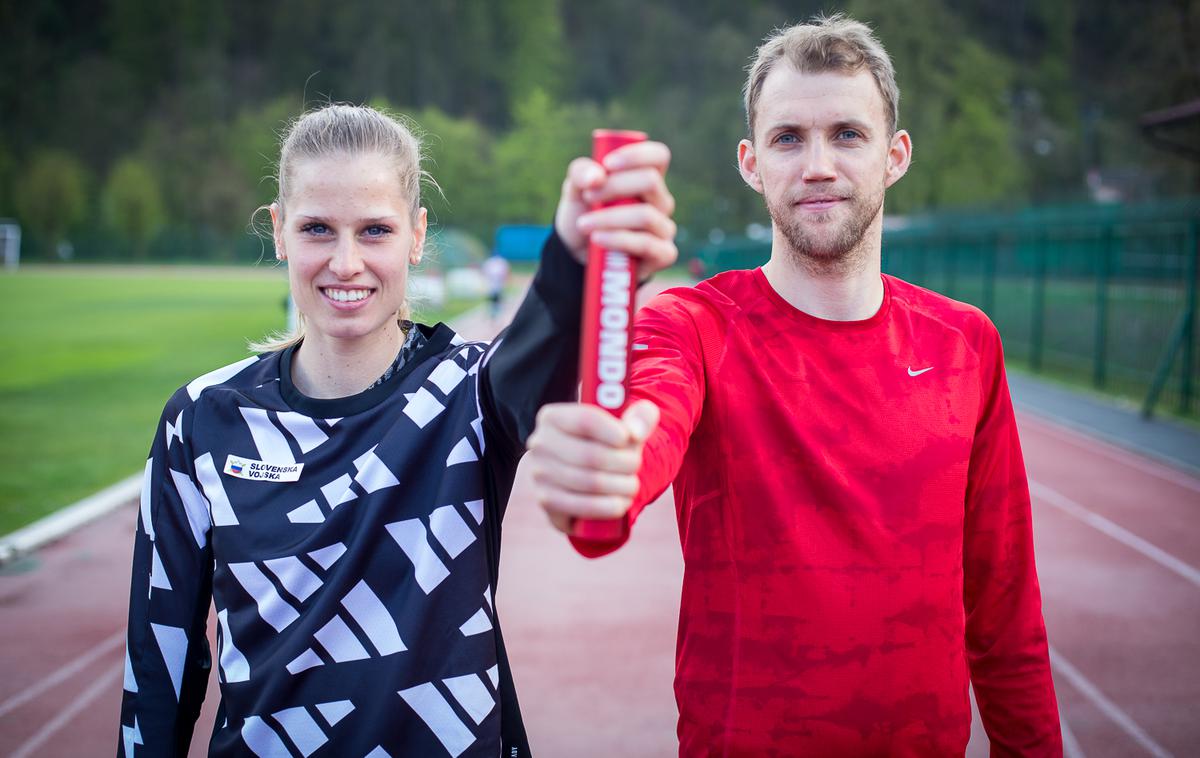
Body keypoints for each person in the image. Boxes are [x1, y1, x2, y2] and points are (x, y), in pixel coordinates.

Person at [526, 15, 1062, 756]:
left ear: (894, 155)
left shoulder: (965, 343)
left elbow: (1004, 600)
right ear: (751, 163)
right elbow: (646, 425)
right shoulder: (690, 325)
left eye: (847, 133)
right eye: (788, 138)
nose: (817, 164)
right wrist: (607, 468)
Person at [117, 103, 676, 757]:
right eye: (319, 229)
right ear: (279, 232)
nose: (347, 262)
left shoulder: (469, 393)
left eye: (375, 231)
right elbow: (159, 666)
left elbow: (543, 340)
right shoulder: (202, 418)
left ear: (416, 235)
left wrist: (580, 254)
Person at [481, 252, 511, 320]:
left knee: (497, 298)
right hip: (492, 284)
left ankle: (496, 312)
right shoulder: (491, 262)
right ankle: (493, 312)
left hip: (497, 284)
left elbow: (505, 273)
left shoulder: (499, 262)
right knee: (493, 298)